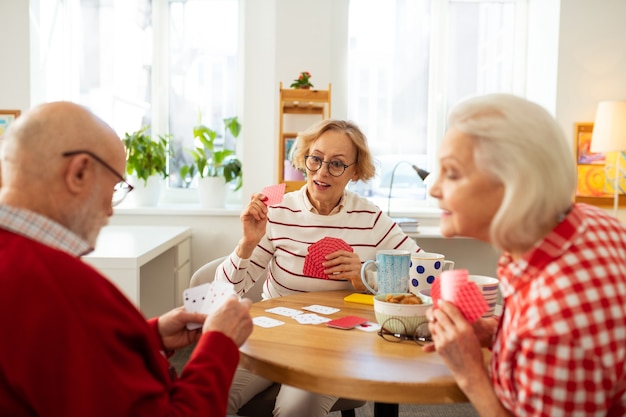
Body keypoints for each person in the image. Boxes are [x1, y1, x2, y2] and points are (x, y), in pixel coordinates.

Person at [0, 101, 254, 417]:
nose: (110, 209)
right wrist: (220, 343)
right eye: (116, 186)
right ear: (79, 172)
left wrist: (148, 337)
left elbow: (59, 357)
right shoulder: (62, 287)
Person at [423, 93, 626, 416]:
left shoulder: (554, 323)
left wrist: (470, 372)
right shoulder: (595, 222)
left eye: (452, 173)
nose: (434, 189)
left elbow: (554, 328)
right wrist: (497, 330)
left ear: (513, 185)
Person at [214, 119, 423, 416]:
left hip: (334, 344)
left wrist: (366, 275)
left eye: (337, 164)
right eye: (316, 159)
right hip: (273, 335)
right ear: (305, 158)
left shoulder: (370, 218)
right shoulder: (278, 213)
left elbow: (425, 274)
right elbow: (221, 292)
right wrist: (247, 244)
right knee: (210, 395)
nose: (322, 172)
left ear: (355, 171)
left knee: (295, 409)